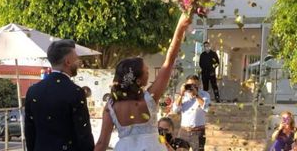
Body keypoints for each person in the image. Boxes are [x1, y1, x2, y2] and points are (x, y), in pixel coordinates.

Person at [94, 14, 192, 151]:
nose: (149, 74)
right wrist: (180, 28)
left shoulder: (111, 105)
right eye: (146, 72)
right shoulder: (149, 98)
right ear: (139, 80)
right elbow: (170, 60)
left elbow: (101, 144)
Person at [25, 39, 94, 151]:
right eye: (76, 58)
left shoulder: (33, 91)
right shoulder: (75, 92)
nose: (79, 62)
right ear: (67, 62)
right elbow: (83, 134)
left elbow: (30, 131)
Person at [172, 75, 210, 151]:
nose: (192, 87)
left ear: (199, 85)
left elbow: (206, 108)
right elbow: (175, 110)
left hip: (198, 132)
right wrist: (181, 94)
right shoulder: (182, 95)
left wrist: (196, 95)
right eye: (189, 85)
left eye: (194, 85)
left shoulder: (204, 94)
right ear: (185, 84)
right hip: (183, 131)